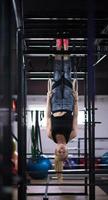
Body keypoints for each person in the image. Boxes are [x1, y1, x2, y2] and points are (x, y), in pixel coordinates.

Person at [46, 38, 78, 180]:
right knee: (67, 71)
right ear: (67, 152)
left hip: (56, 103)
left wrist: (47, 98)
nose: (61, 150)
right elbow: (76, 117)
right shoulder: (72, 135)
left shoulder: (50, 135)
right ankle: (66, 45)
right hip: (69, 103)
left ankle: (60, 46)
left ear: (55, 151)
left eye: (59, 153)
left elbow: (47, 116)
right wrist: (77, 100)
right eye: (63, 153)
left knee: (58, 73)